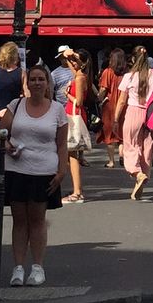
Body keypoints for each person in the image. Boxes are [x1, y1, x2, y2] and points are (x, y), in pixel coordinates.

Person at [3, 61, 69, 287]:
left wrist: (62, 171)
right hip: (16, 168)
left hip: (44, 171)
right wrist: (6, 144)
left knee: (38, 220)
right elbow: (2, 133)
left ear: (47, 83)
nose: (37, 83)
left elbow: (61, 145)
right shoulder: (16, 105)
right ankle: (18, 268)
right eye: (33, 79)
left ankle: (38, 268)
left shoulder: (57, 109)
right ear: (27, 83)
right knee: (19, 220)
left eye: (41, 79)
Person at [115, 46, 153, 199]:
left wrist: (116, 119)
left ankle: (137, 173)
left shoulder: (129, 77)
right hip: (151, 113)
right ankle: (143, 174)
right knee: (147, 147)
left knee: (130, 145)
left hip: (133, 111)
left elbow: (122, 100)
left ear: (133, 59)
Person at [64, 52, 92, 202]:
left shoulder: (80, 78)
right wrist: (68, 57)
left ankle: (77, 191)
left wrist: (66, 94)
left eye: (75, 61)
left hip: (74, 114)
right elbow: (73, 68)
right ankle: (77, 188)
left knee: (72, 154)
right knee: (70, 154)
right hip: (72, 113)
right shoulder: (79, 75)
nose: (73, 63)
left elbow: (79, 101)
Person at [97, 48, 127, 167]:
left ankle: (111, 161)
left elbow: (103, 89)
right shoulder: (127, 73)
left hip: (110, 105)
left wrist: (98, 97)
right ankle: (122, 155)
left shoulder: (107, 72)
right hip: (124, 105)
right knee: (121, 133)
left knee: (109, 133)